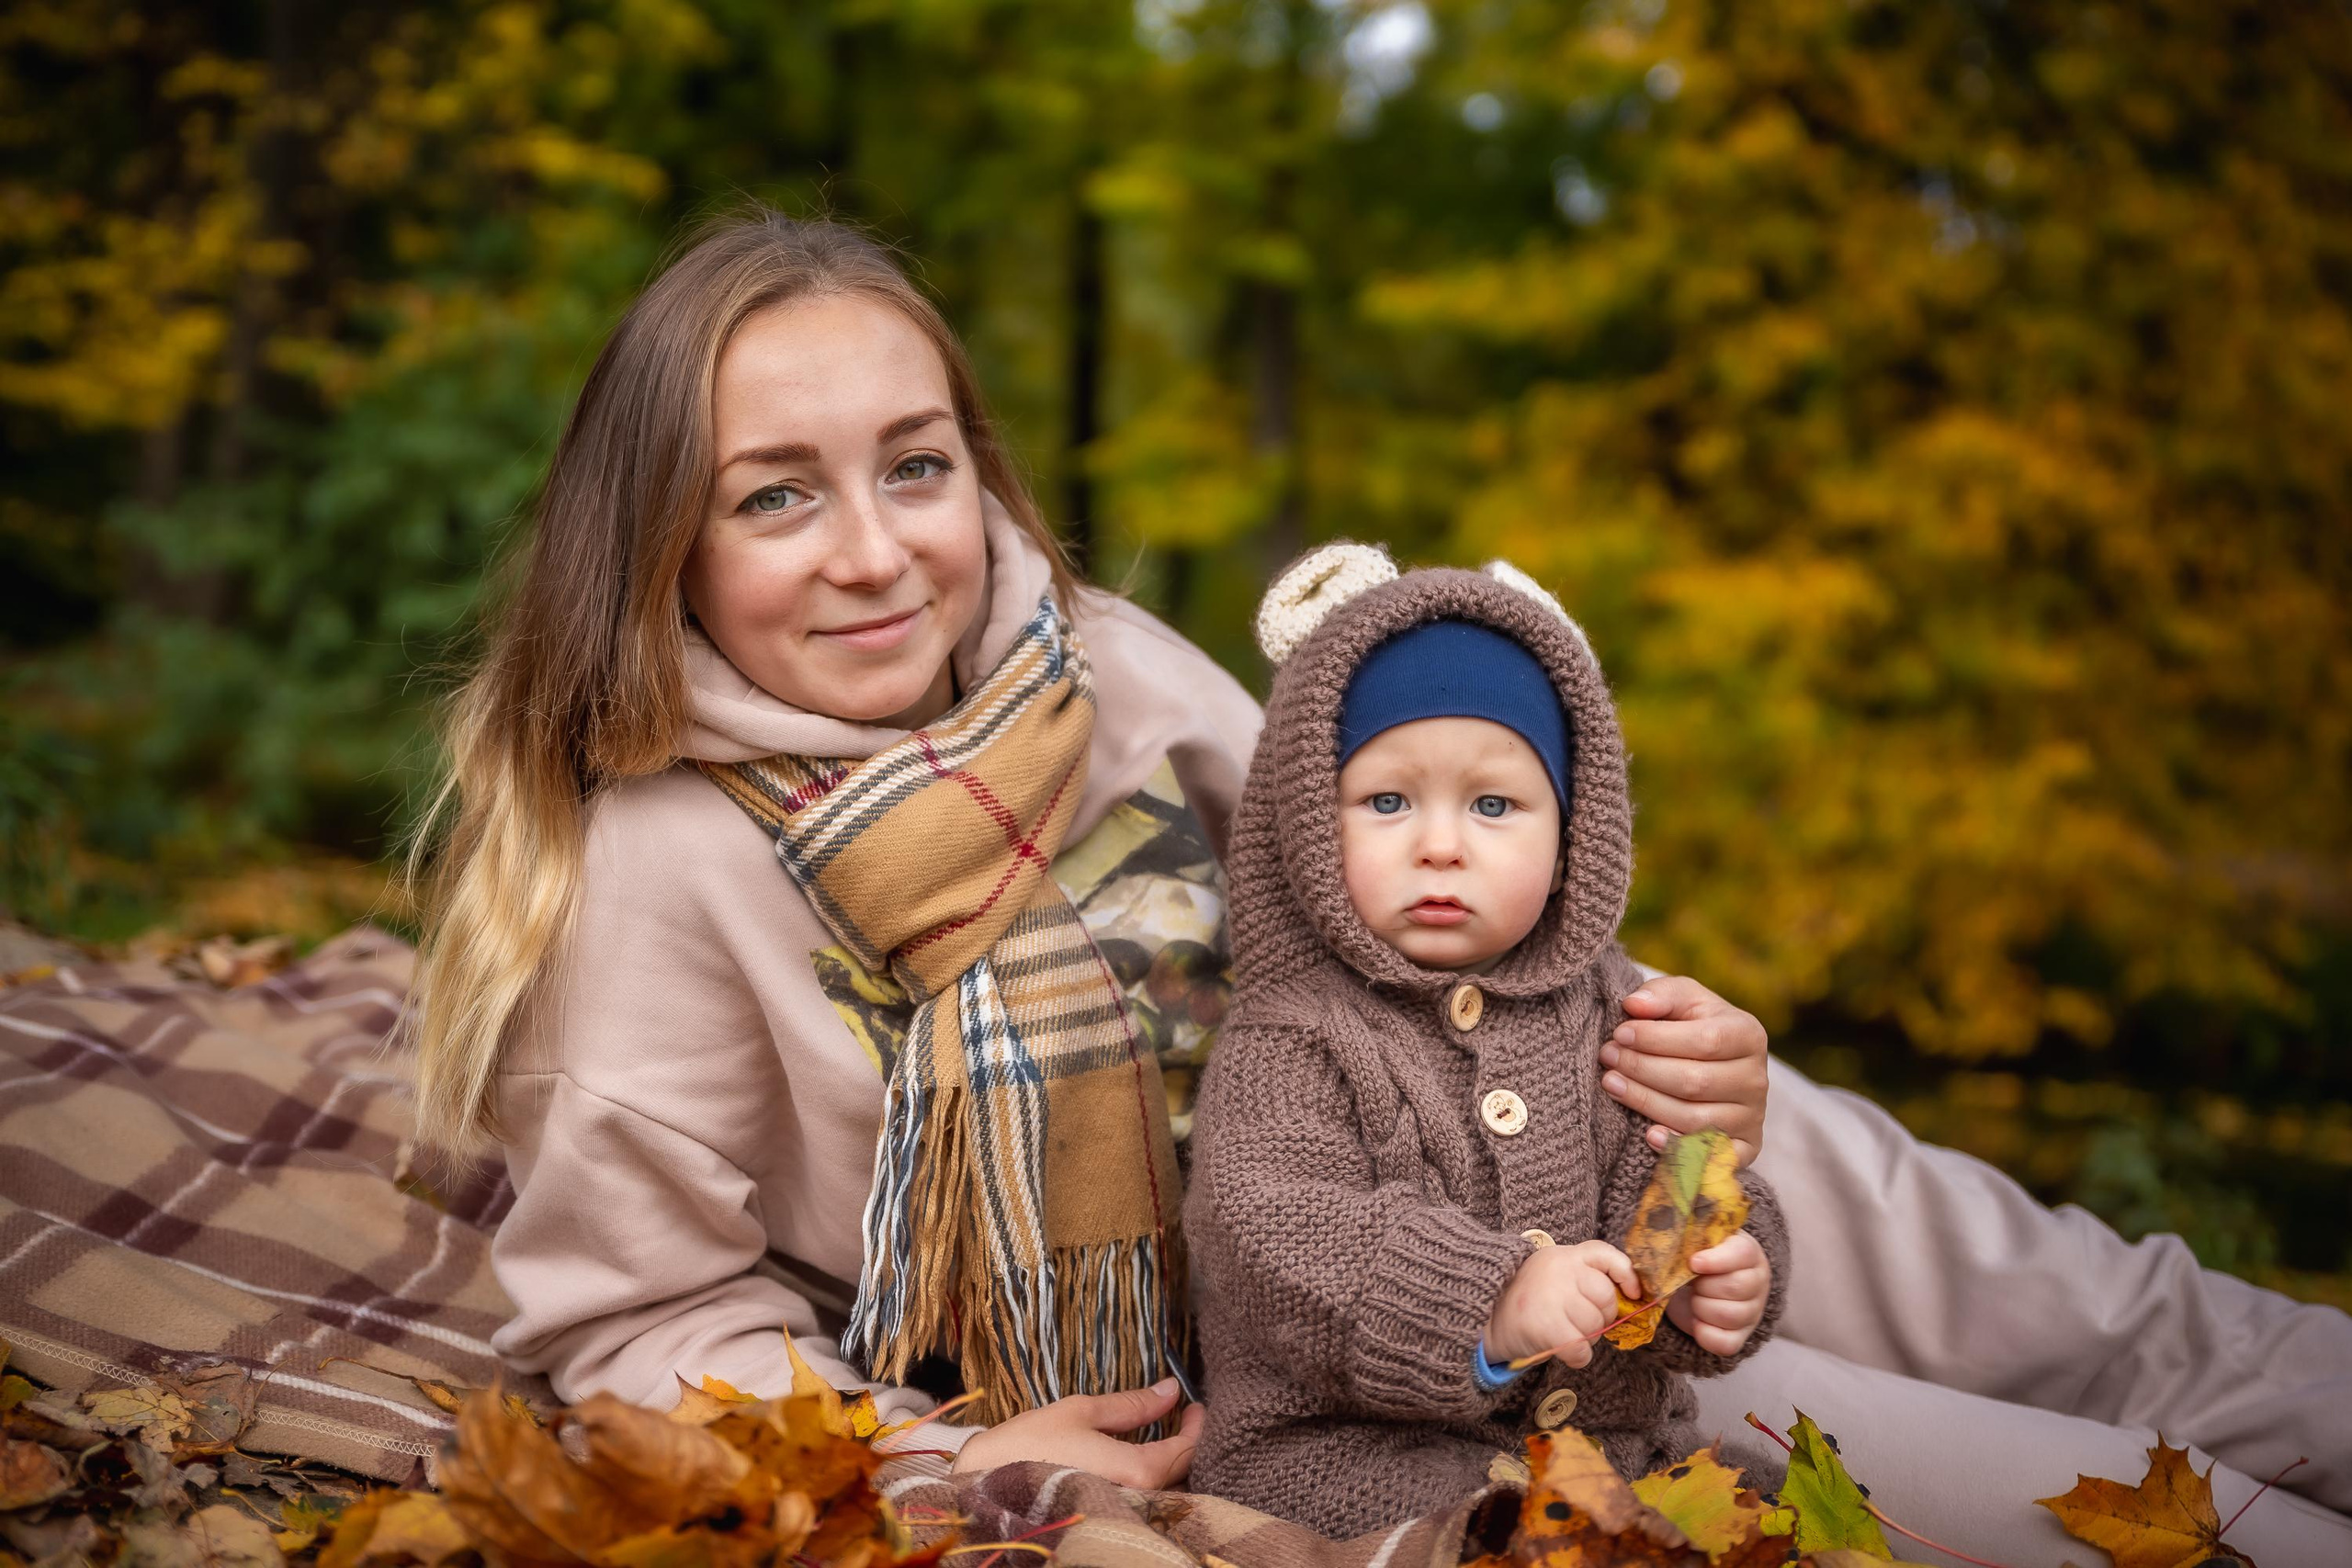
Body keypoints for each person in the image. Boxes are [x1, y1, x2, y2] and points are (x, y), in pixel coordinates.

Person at [408, 209, 2351, 1556]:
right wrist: (942, 1456)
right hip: (1360, 1322)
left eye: (913, 465)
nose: (873, 552)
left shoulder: (1097, 658)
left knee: (2111, 1307)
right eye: (775, 492)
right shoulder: (664, 854)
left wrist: (1681, 1065)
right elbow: (634, 1316)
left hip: (1546, 1128)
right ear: (657, 534)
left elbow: (1404, 896)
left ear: (975, 470)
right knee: (2090, 1493)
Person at [1185, 551, 1788, 1537]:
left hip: (1612, 1450)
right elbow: (1269, 1234)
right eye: (1386, 802)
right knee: (1484, 1537)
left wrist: (1719, 1267)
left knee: (1755, 1514)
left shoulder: (1617, 1008)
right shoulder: (1292, 1033)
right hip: (1355, 1454)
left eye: (1493, 805)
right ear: (1306, 828)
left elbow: (1674, 1165)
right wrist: (1490, 1298)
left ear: (1568, 842)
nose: (1439, 845)